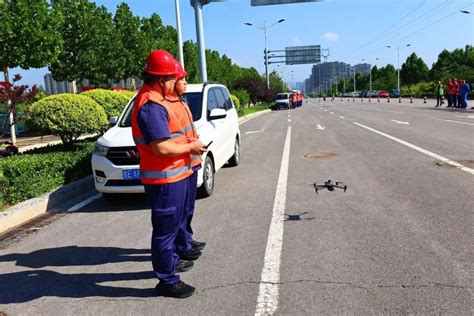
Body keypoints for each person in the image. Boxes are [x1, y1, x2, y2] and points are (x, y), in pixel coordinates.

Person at [131, 50, 206, 298]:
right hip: (164, 179)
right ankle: (167, 280)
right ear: (161, 80)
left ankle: (171, 265)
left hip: (176, 174)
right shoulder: (151, 106)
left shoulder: (162, 99)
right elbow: (161, 148)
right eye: (173, 78)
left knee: (173, 227)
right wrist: (191, 147)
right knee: (164, 231)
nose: (177, 82)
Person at [171, 60, 207, 261]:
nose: (185, 82)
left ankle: (186, 240)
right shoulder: (166, 104)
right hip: (179, 163)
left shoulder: (181, 101)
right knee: (179, 212)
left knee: (188, 208)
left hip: (190, 160)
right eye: (181, 79)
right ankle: (181, 247)